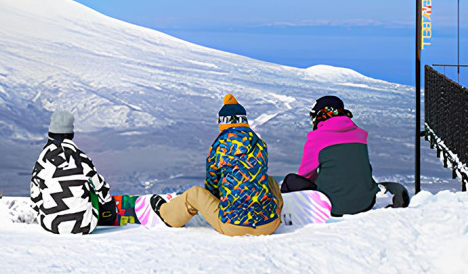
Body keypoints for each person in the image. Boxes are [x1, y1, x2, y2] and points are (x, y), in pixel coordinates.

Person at [149, 94, 282, 236]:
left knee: (194, 194)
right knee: (269, 180)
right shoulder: (260, 144)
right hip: (270, 224)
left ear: (223, 122)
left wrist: (216, 201)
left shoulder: (219, 146)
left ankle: (166, 214)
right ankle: (275, 209)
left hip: (233, 225)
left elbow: (212, 182)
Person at [280, 96, 380, 216]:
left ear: (319, 115)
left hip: (334, 207)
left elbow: (305, 174)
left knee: (291, 180)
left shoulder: (317, 137)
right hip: (366, 203)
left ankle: (284, 216)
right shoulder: (360, 134)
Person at [30, 110, 113, 234]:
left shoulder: (43, 159)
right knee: (90, 183)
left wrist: (39, 207)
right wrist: (108, 202)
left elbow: (34, 193)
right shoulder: (80, 157)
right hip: (85, 226)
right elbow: (99, 185)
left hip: (50, 226)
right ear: (71, 133)